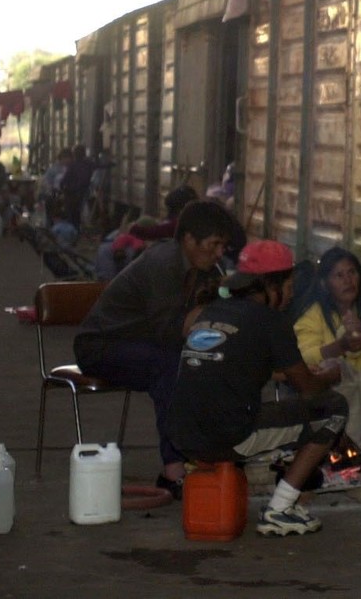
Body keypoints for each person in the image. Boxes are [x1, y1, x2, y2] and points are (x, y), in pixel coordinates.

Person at [168, 239, 349, 537]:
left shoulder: (214, 310)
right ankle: (281, 509)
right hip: (227, 436)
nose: (291, 295)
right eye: (289, 286)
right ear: (270, 285)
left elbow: (232, 363)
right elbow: (309, 391)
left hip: (180, 433)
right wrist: (330, 375)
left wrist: (286, 373)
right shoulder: (271, 321)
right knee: (333, 409)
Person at [73, 199, 246, 495]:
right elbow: (171, 332)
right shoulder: (163, 264)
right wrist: (213, 304)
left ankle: (214, 452)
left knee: (211, 361)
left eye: (222, 247)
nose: (219, 253)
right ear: (189, 239)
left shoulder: (203, 267)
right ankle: (174, 470)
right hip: (102, 346)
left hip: (141, 344)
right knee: (169, 365)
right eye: (214, 244)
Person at [291, 247, 361, 477]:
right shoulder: (314, 314)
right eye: (339, 275)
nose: (348, 281)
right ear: (325, 283)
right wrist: (340, 347)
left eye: (352, 273)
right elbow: (302, 355)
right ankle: (346, 455)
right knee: (338, 370)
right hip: (341, 387)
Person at [60, 145, 94, 227]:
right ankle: (78, 227)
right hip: (83, 192)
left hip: (72, 194)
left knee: (72, 213)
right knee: (79, 212)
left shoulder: (73, 165)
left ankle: (73, 228)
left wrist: (61, 187)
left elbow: (65, 179)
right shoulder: (88, 164)